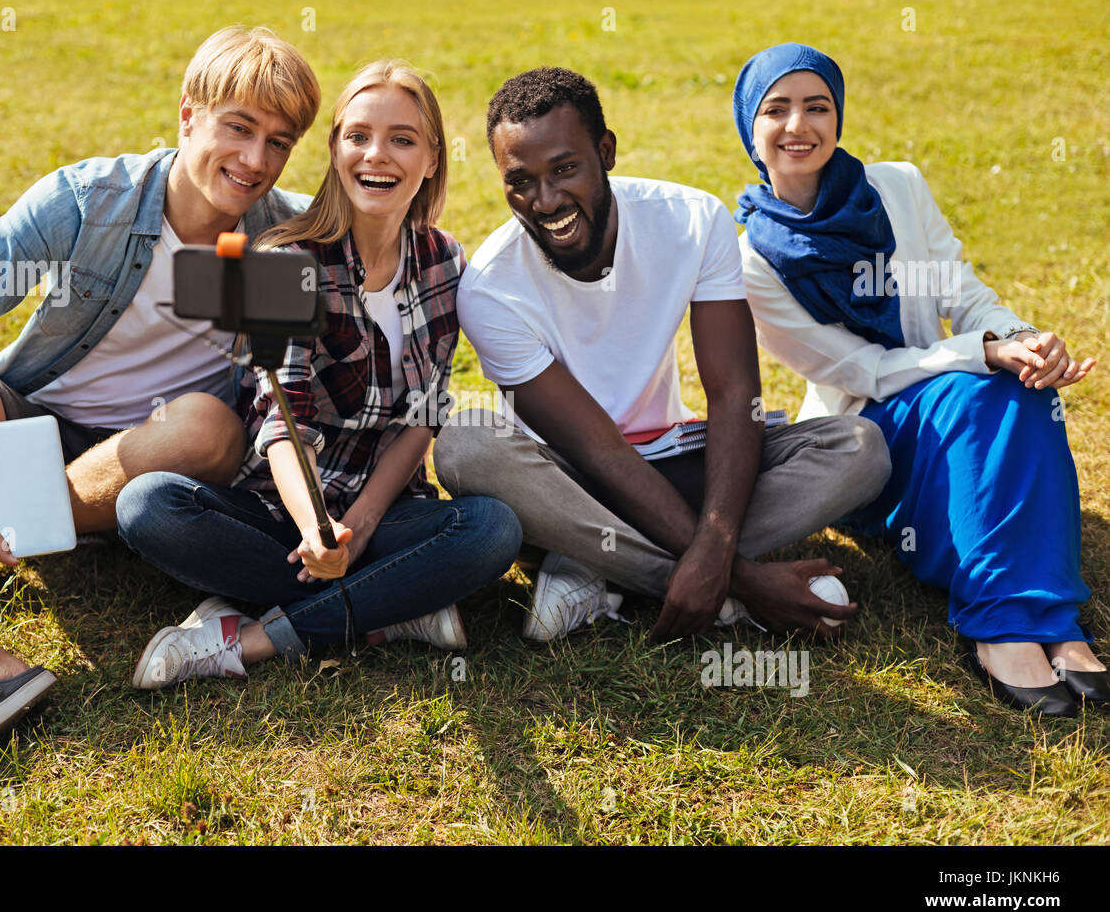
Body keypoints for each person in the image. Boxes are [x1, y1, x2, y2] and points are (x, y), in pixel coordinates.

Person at [0, 26, 322, 795]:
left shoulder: (289, 240)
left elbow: (402, 257)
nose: (255, 162)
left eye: (279, 142)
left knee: (208, 425)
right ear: (188, 116)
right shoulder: (89, 200)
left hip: (159, 463)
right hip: (30, 428)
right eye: (238, 128)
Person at [433, 67, 891, 645]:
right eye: (520, 180)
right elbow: (594, 447)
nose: (545, 201)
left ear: (606, 151)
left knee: (859, 449)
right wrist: (748, 579)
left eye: (565, 169)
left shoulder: (693, 220)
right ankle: (704, 585)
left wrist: (716, 543)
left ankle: (600, 569)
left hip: (674, 462)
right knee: (465, 443)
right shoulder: (490, 288)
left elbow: (733, 397)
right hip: (566, 484)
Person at [115, 60, 522, 686]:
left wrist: (355, 533)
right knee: (148, 506)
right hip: (280, 513)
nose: (376, 155)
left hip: (384, 513)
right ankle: (395, 608)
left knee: (492, 530)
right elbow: (282, 421)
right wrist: (315, 531)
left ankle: (254, 638)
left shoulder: (444, 261)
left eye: (402, 139)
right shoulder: (286, 260)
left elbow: (425, 418)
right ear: (335, 150)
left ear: (433, 158)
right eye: (357, 136)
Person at [731, 43, 1101, 716]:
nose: (798, 126)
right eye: (775, 110)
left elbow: (962, 288)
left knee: (1018, 389)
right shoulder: (753, 257)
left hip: (958, 400)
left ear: (838, 118)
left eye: (818, 107)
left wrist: (1018, 338)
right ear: (750, 132)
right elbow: (859, 370)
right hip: (862, 436)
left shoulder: (896, 186)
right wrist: (976, 353)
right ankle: (1005, 623)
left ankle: (1038, 619)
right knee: (981, 389)